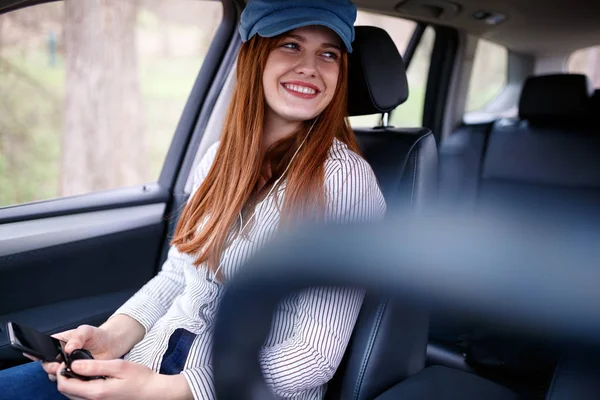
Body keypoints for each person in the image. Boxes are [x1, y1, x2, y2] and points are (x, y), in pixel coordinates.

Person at [0, 1, 386, 399]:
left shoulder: (344, 182)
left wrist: (173, 389)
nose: (310, 66)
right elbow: (177, 276)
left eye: (329, 54)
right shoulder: (218, 158)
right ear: (254, 55)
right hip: (149, 366)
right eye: (291, 45)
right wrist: (109, 337)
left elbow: (312, 355)